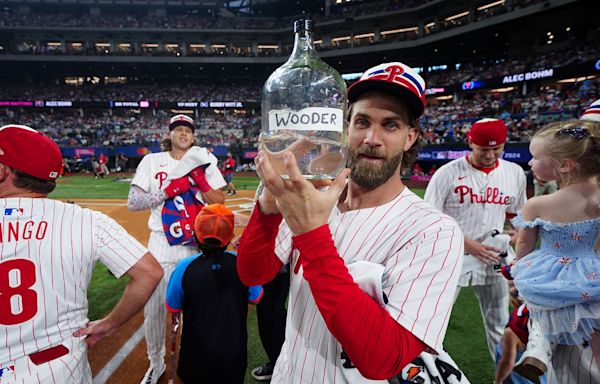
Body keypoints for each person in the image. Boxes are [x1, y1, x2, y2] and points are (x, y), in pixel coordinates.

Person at [238, 62, 466, 383]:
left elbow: (383, 360)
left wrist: (313, 236)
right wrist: (268, 208)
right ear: (346, 128)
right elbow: (254, 273)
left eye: (390, 125)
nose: (372, 138)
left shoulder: (433, 231)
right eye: (362, 122)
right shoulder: (312, 193)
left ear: (409, 137)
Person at [0, 124, 163, 383]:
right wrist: (110, 323)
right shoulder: (87, 220)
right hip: (61, 369)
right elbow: (150, 272)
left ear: (2, 171)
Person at [128, 114, 226, 384]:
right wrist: (167, 191)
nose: (183, 133)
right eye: (178, 129)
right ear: (169, 135)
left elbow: (219, 200)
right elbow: (134, 202)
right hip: (162, 242)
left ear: (193, 137)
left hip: (196, 243)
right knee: (155, 310)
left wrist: (202, 181)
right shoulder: (152, 161)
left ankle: (195, 360)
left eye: (187, 130)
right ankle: (156, 362)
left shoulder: (205, 162)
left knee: (198, 309)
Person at [503, 119, 600, 383]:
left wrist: (518, 268)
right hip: (589, 269)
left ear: (565, 165)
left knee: (542, 307)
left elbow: (524, 243)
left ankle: (538, 350)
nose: (530, 163)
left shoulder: (537, 204)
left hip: (548, 269)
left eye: (535, 157)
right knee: (590, 317)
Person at [424, 118, 527, 362]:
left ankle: (505, 378)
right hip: (452, 256)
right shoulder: (447, 174)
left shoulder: (513, 173)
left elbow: (517, 216)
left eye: (497, 148)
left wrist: (518, 233)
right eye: (484, 149)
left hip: (493, 256)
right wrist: (467, 243)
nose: (490, 154)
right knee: (432, 320)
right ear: (471, 143)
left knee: (500, 323)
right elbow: (428, 219)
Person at [165, 204, 262, 384]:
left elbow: (173, 305)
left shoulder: (184, 267)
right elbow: (255, 297)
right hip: (233, 354)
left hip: (195, 354)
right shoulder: (242, 263)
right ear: (230, 237)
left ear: (195, 235)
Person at [494, 304, 547, 384]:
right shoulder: (553, 318)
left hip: (518, 374)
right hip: (540, 367)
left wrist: (498, 381)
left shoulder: (515, 325)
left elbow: (507, 363)